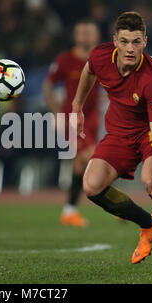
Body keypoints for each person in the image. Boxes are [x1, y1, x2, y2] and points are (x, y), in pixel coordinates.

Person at [72, 12, 152, 268]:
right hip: (119, 131)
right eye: (124, 41)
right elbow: (88, 71)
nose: (130, 48)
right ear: (115, 41)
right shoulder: (100, 55)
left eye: (136, 42)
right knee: (91, 186)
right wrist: (77, 105)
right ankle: (149, 225)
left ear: (145, 42)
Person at [43, 18, 101, 227]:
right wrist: (56, 112)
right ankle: (119, 206)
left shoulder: (102, 58)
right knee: (93, 158)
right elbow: (48, 85)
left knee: (79, 165)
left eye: (88, 32)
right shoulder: (65, 59)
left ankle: (69, 211)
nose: (85, 36)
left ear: (96, 36)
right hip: (72, 118)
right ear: (75, 36)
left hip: (93, 117)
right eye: (81, 32)